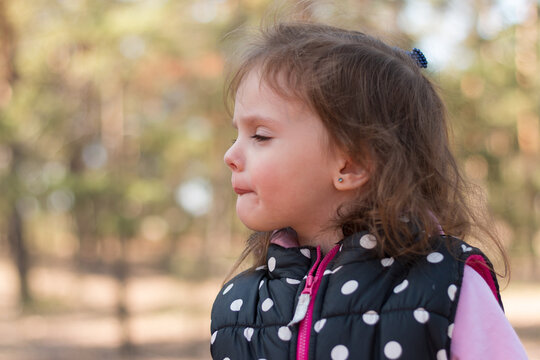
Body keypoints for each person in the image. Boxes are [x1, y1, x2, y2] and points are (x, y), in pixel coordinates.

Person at [210, 21, 527, 360]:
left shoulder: (445, 286)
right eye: (236, 136)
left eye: (260, 135)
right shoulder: (238, 307)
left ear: (352, 165)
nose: (230, 156)